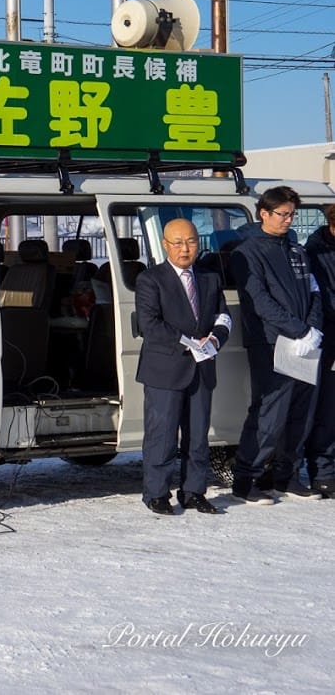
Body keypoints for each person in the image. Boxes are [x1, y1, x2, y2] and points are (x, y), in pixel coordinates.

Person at [230, 185, 323, 504]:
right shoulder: (247, 252)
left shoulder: (296, 251)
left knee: (302, 412)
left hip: (306, 342)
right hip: (271, 342)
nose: (288, 220)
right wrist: (296, 329)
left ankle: (286, 476)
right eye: (282, 214)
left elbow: (314, 292)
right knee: (269, 412)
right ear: (263, 213)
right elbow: (259, 300)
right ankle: (247, 479)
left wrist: (312, 328)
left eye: (291, 215)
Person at [133, 219, 231, 515]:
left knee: (198, 434)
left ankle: (193, 492)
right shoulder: (150, 279)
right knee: (162, 434)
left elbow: (223, 316)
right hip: (165, 368)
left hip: (202, 368)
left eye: (190, 241)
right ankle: (157, 493)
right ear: (165, 245)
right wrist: (189, 341)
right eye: (177, 243)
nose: (185, 248)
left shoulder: (210, 278)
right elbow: (150, 325)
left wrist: (215, 339)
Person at [303, 203, 335, 497]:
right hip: (329, 339)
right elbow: (324, 301)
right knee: (327, 409)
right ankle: (323, 473)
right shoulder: (317, 253)